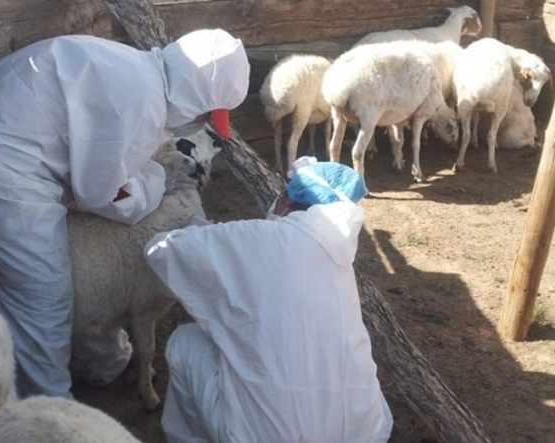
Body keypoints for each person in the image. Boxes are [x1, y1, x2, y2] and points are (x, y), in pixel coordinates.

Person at [0, 29, 250, 398]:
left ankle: (96, 365)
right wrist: (158, 181)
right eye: (204, 113)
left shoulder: (136, 70)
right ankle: (48, 411)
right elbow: (102, 193)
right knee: (43, 297)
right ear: (194, 97)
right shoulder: (140, 105)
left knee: (49, 282)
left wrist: (148, 175)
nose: (199, 122)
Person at [144, 157, 394, 443]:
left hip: (269, 436)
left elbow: (159, 251)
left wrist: (196, 231)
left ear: (286, 202)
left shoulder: (262, 235)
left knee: (184, 341)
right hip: (364, 432)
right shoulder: (337, 255)